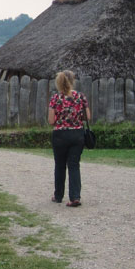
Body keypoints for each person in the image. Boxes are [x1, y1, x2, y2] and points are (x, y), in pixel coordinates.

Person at [47, 70, 91, 207]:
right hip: (77, 134)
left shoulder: (55, 98)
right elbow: (87, 117)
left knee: (60, 165)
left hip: (60, 135)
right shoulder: (80, 97)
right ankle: (75, 197)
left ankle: (58, 195)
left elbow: (51, 120)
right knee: (74, 165)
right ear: (73, 81)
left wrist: (61, 120)